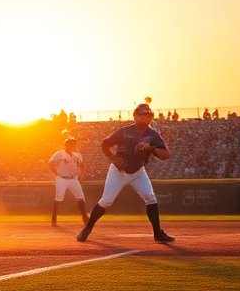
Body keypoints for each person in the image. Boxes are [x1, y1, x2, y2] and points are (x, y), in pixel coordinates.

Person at [77, 103, 175, 243]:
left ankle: (158, 234)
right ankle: (87, 228)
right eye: (142, 114)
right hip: (118, 171)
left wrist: (151, 148)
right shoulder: (125, 131)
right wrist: (113, 157)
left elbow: (166, 154)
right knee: (106, 200)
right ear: (135, 115)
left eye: (148, 114)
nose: (145, 117)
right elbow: (105, 143)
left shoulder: (152, 135)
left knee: (150, 197)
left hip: (138, 172)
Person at [47, 137, 88, 227]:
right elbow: (50, 162)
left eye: (74, 144)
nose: (73, 145)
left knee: (81, 197)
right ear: (66, 145)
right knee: (59, 197)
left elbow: (81, 164)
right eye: (71, 144)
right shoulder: (60, 153)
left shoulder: (77, 155)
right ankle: (54, 217)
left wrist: (82, 173)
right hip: (61, 178)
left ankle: (85, 217)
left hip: (73, 179)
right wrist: (55, 172)